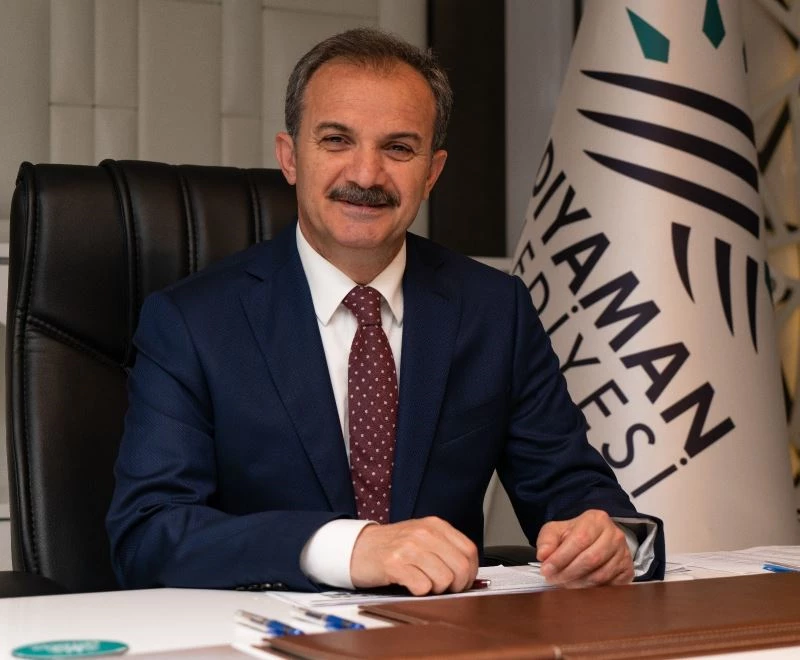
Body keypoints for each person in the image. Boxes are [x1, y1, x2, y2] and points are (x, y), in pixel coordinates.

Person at [107, 27, 665, 595]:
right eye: (336, 140)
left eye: (398, 148)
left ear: (432, 172)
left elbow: (576, 491)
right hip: (264, 630)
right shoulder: (193, 323)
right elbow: (149, 535)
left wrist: (612, 541)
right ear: (290, 157)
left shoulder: (495, 310)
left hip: (442, 630)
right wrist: (347, 548)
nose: (366, 175)